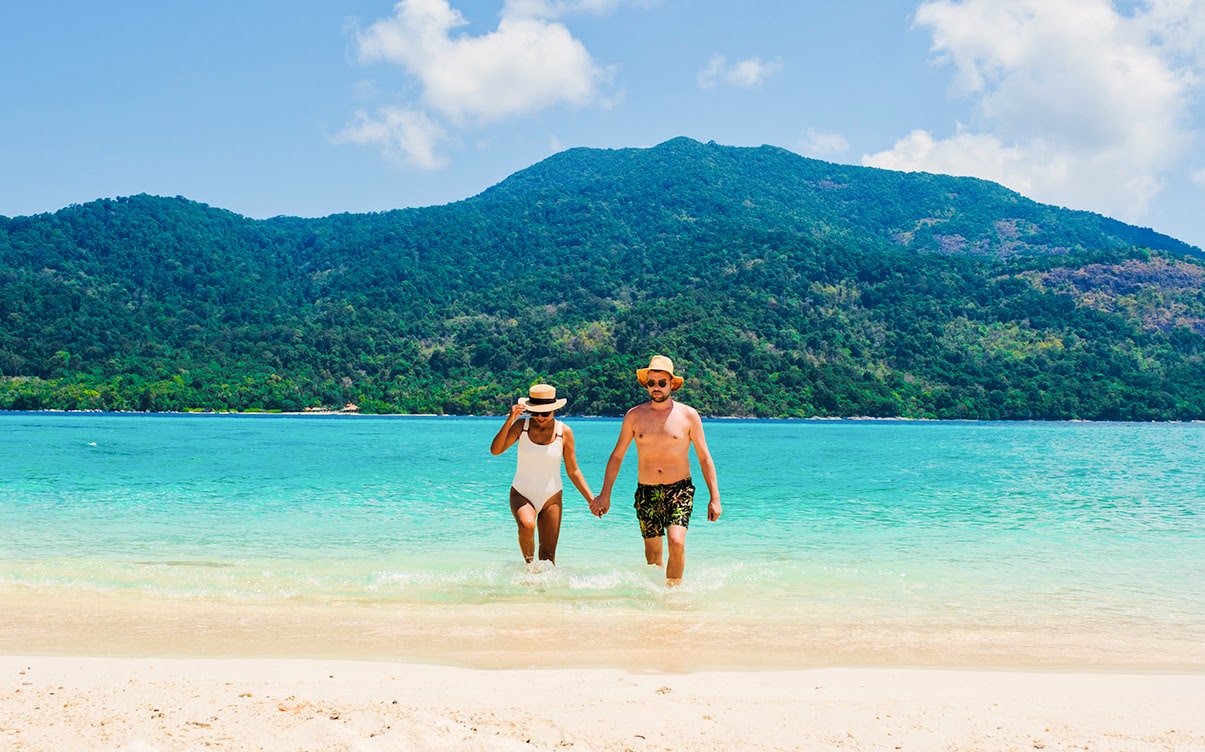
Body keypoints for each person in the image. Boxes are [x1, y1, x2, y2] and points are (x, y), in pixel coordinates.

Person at [590, 355, 721, 585]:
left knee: (676, 542)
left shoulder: (688, 415)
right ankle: (657, 603)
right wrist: (605, 494)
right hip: (647, 492)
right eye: (652, 383)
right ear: (646, 384)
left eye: (662, 383)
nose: (656, 388)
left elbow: (704, 457)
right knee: (653, 558)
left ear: (672, 384)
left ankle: (674, 593)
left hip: (679, 490)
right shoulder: (634, 416)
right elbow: (617, 456)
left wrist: (715, 498)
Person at [490, 383, 594, 565]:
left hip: (551, 498)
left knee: (548, 558)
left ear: (554, 411)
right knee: (527, 524)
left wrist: (591, 500)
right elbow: (495, 450)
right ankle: (529, 571)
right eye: (535, 412)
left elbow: (573, 470)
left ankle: (545, 592)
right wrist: (510, 420)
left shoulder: (564, 432)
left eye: (545, 413)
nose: (539, 417)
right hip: (522, 493)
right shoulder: (522, 426)